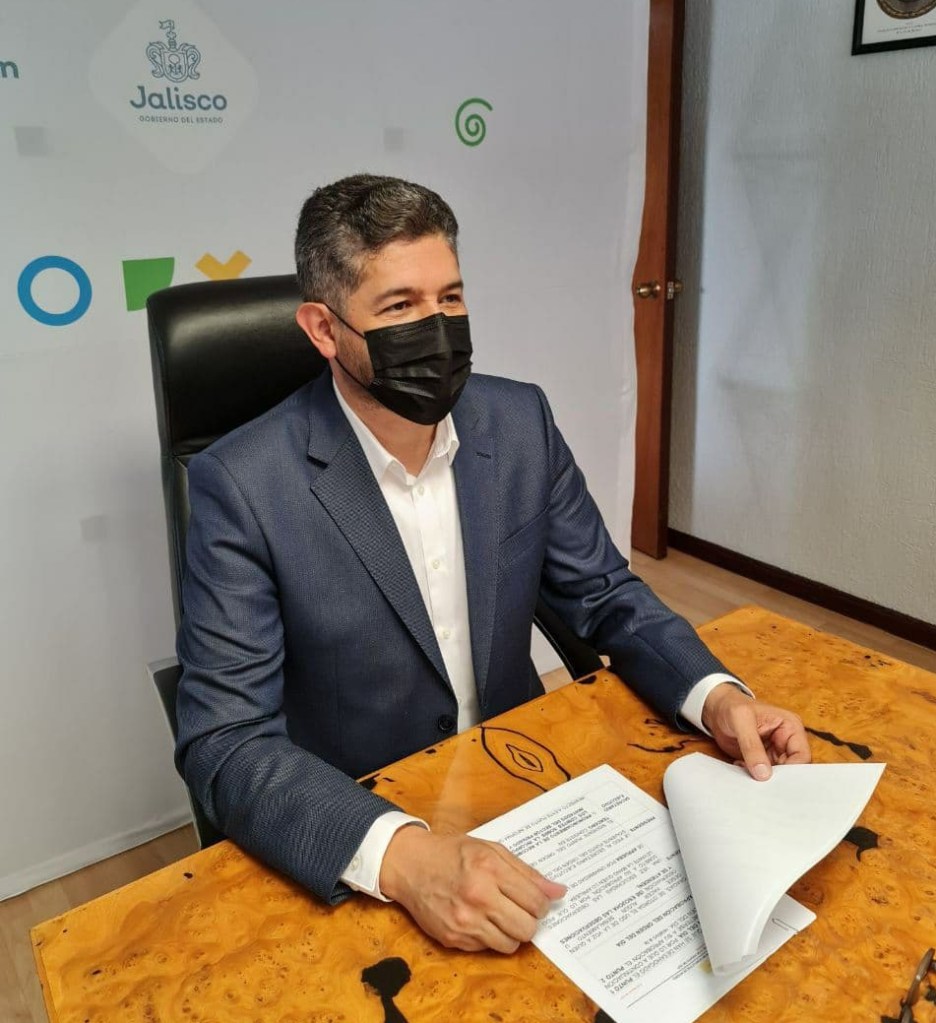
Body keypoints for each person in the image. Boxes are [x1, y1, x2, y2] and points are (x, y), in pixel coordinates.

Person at [175, 173, 810, 955]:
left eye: (450, 297)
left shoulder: (519, 422)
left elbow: (605, 593)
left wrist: (715, 695)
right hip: (368, 827)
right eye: (399, 306)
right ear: (323, 329)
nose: (436, 328)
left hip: (525, 787)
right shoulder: (243, 483)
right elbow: (225, 739)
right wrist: (404, 857)